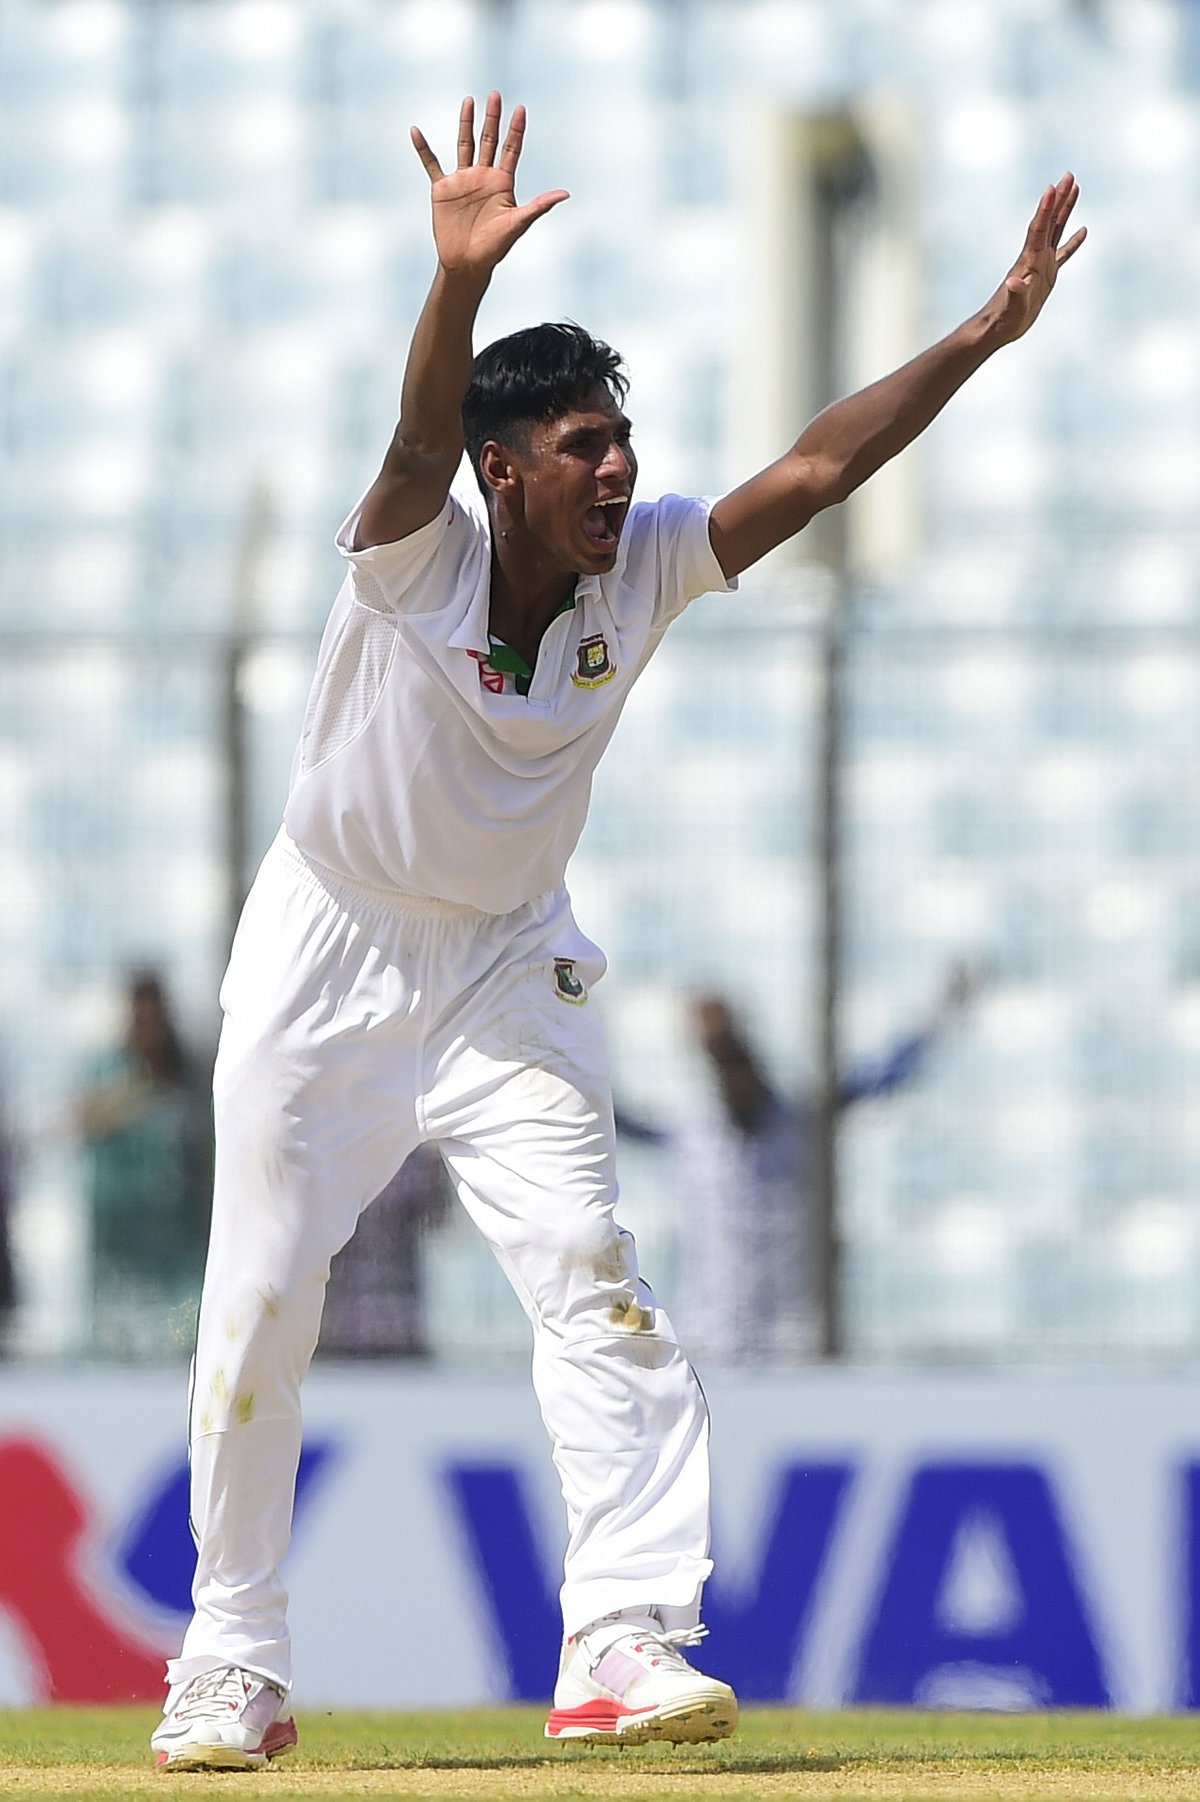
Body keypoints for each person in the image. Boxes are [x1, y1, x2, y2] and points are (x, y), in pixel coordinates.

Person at [150, 93, 1084, 1770]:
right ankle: (228, 1663)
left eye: (620, 439)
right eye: (580, 445)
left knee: (594, 1277)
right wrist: (453, 291)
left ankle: (622, 1641)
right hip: (328, 948)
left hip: (510, 961)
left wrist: (982, 334)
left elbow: (811, 469)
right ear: (505, 473)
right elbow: (419, 442)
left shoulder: (639, 569)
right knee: (261, 1302)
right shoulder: (410, 554)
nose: (618, 467)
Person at [619, 969, 983, 1362]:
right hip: (712, 1337)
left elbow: (883, 1075)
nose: (737, 1079)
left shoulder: (798, 1123)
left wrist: (941, 1016)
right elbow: (610, 1119)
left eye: (738, 1059)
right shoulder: (692, 1132)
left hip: (793, 1340)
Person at [76, 970, 213, 1360]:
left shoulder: (191, 1078)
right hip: (119, 1257)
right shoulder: (108, 1072)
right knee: (115, 1357)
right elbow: (78, 1121)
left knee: (186, 1348)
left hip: (181, 1256)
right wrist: (131, 1096)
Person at [317, 1145, 449, 1359]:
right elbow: (438, 1219)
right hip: (372, 1326)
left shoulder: (330, 1158)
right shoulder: (415, 1163)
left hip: (357, 1325)